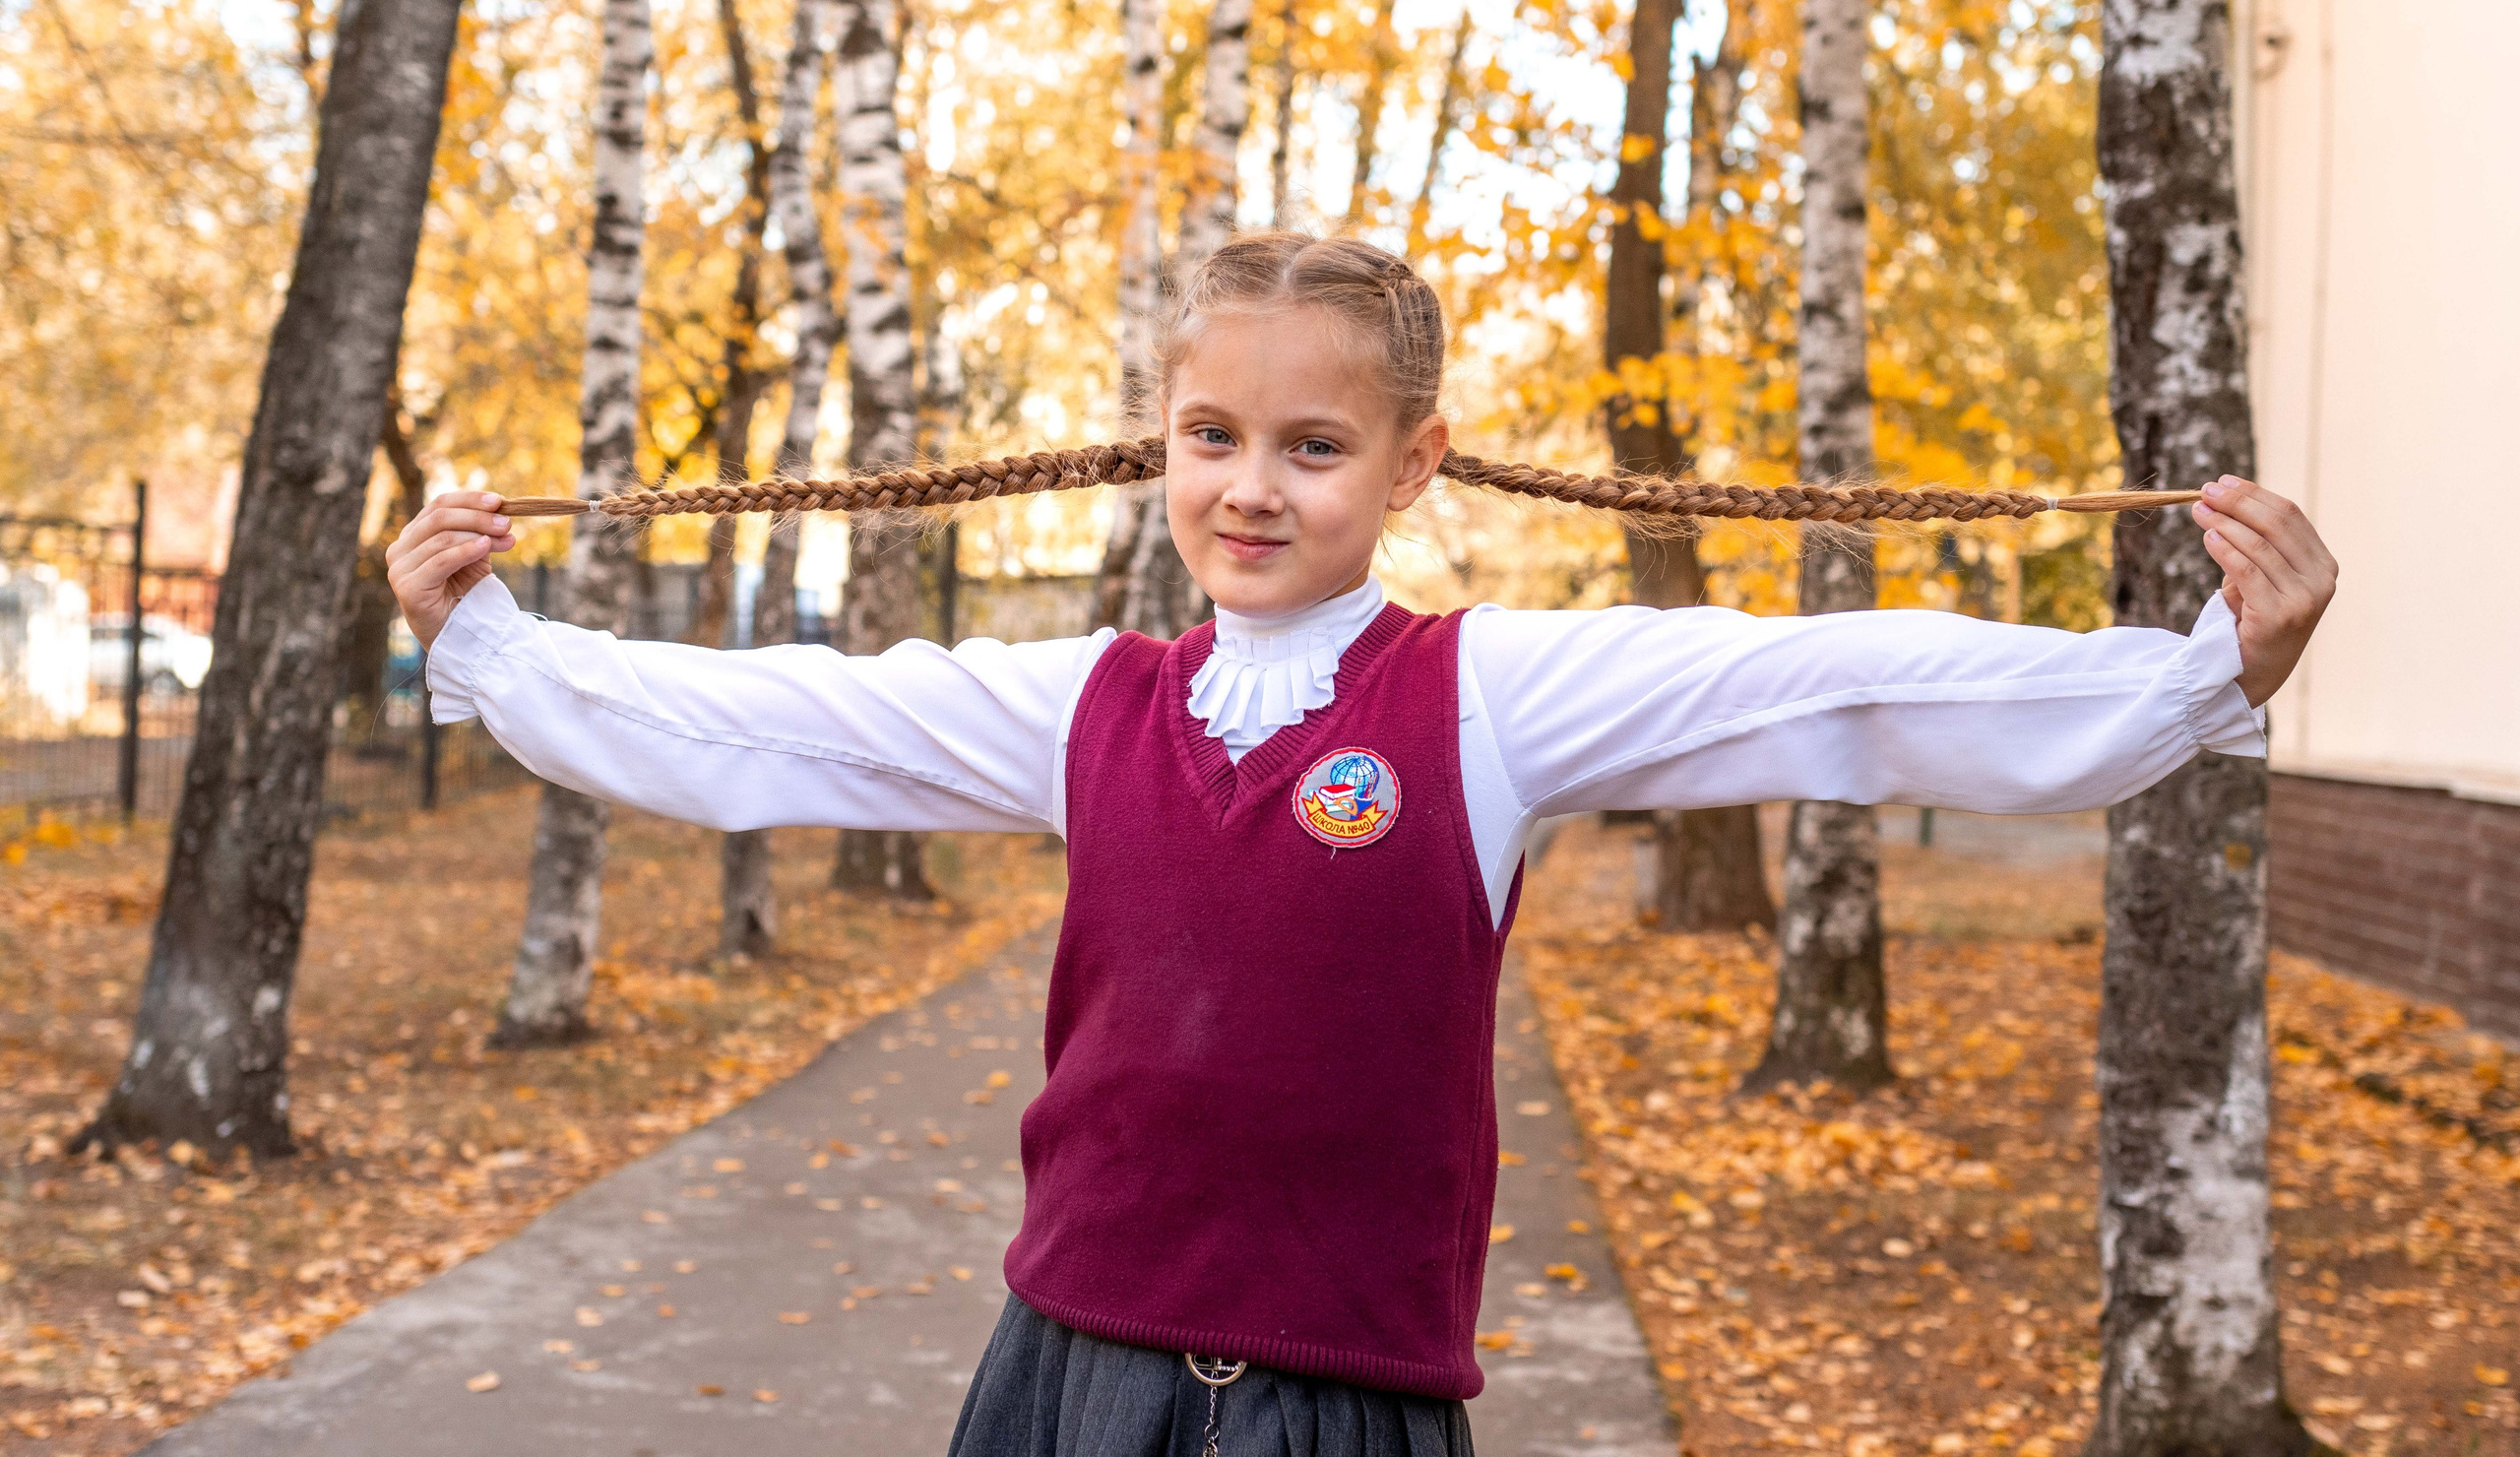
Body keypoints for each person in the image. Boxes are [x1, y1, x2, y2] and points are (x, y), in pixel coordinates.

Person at [387, 232, 2337, 1456]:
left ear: (1411, 464)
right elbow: (775, 723)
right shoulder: (1087, 705)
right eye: (1208, 434)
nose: (1248, 484)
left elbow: (1807, 678)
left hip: (1339, 1395)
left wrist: (2184, 674)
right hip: (1063, 1367)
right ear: (1160, 440)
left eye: (1309, 445)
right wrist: (492, 646)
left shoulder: (1485, 696)